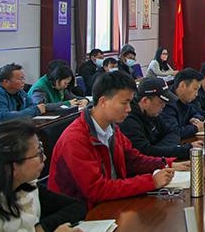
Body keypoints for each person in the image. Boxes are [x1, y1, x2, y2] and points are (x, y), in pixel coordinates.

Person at [48, 71, 188, 208]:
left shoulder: (112, 129)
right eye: (124, 103)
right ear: (103, 101)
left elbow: (133, 160)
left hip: (111, 202)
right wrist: (151, 182)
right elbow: (96, 190)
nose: (129, 109)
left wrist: (166, 164)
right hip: (82, 213)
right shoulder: (75, 139)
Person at [0, 120, 87, 232]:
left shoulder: (22, 183)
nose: (44, 158)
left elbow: (78, 207)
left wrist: (42, 227)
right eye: (38, 154)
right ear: (12, 166)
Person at [119, 77, 203, 160]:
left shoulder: (153, 113)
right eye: (161, 102)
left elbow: (174, 133)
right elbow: (145, 153)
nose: (164, 106)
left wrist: (157, 150)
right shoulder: (128, 121)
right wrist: (184, 150)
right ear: (145, 101)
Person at [0, 64, 50, 130]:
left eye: (23, 78)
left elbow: (31, 105)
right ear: (6, 82)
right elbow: (6, 118)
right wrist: (35, 110)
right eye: (20, 79)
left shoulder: (19, 91)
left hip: (14, 127)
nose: (23, 82)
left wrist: (30, 111)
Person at [160, 69, 204, 139]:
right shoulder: (167, 104)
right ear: (183, 85)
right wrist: (196, 127)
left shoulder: (185, 99)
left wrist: (195, 119)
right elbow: (174, 132)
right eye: (195, 89)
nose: (197, 94)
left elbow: (198, 113)